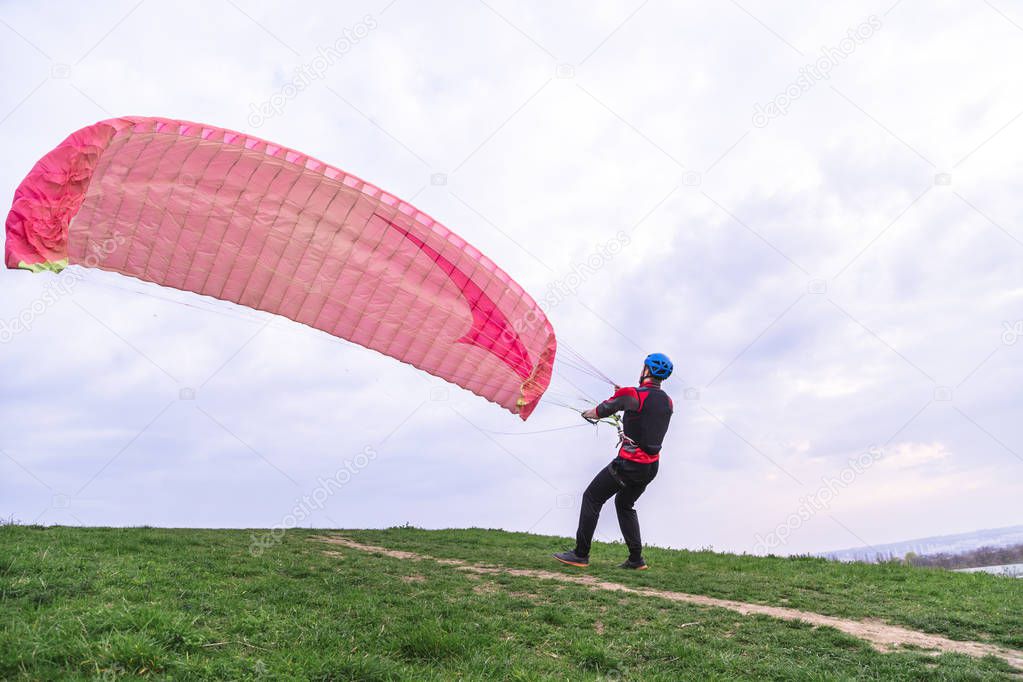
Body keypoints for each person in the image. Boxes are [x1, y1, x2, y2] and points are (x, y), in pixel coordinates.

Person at [554, 353, 674, 570]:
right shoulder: (667, 401)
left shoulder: (631, 394)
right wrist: (622, 396)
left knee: (592, 497)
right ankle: (636, 560)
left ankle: (580, 554)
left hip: (628, 466)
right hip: (650, 468)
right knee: (624, 504)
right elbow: (642, 409)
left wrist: (587, 413)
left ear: (646, 370)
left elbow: (601, 411)